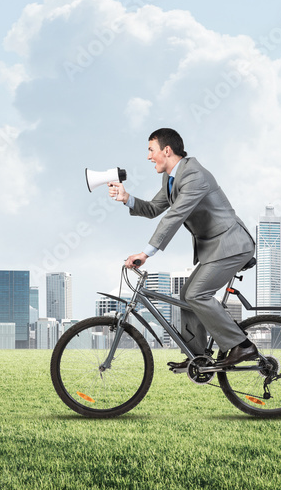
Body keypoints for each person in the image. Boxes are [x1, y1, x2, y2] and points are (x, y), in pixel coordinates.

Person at [107, 128, 259, 369]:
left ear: (166, 151)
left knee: (196, 294)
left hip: (231, 245)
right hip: (215, 248)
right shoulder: (171, 178)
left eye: (151, 150)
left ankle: (242, 345)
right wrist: (127, 198)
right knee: (186, 297)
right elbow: (153, 209)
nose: (148, 157)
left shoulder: (194, 175)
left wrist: (146, 253)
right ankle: (197, 356)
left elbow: (175, 216)